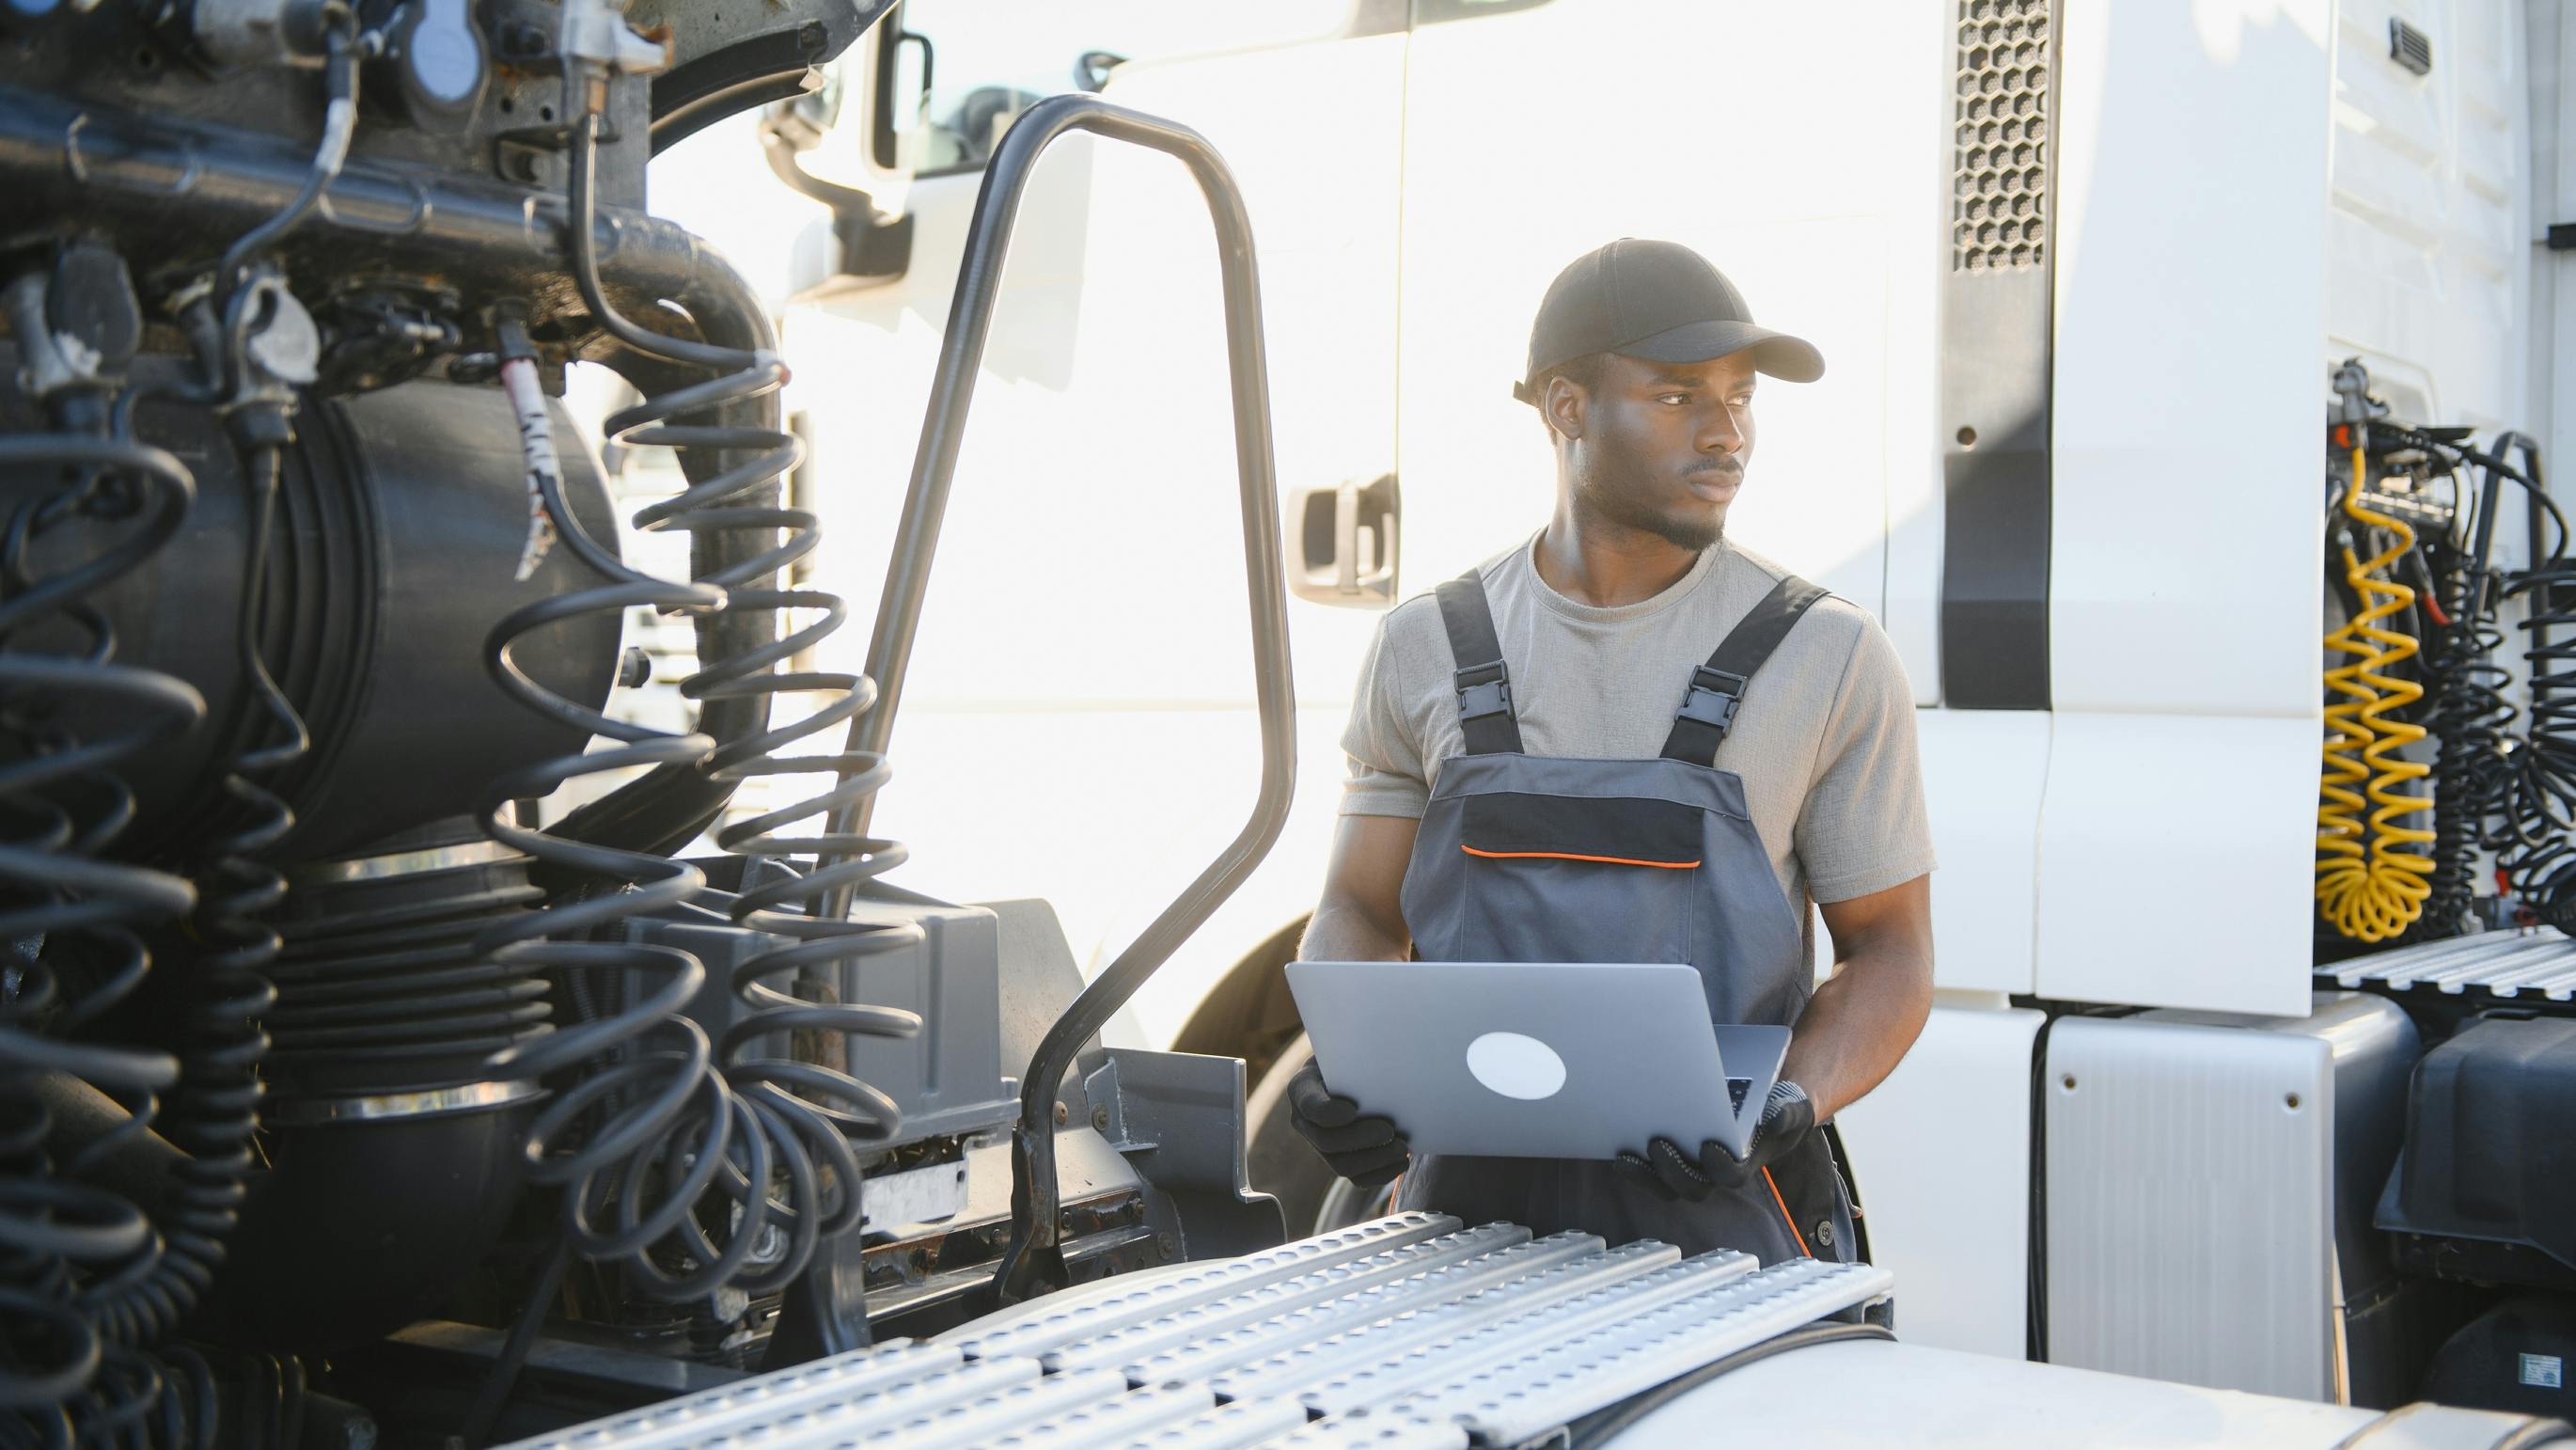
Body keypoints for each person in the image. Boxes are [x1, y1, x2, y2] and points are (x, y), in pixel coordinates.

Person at [1288, 238, 1937, 1265]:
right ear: (1564, 407)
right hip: (1461, 1239)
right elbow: (1361, 911)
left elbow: (1890, 952)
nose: (1727, 433)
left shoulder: (1827, 655)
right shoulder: (1427, 646)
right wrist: (1349, 1065)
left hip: (1725, 1225)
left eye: (1740, 396)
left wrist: (1791, 1097)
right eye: (1679, 396)